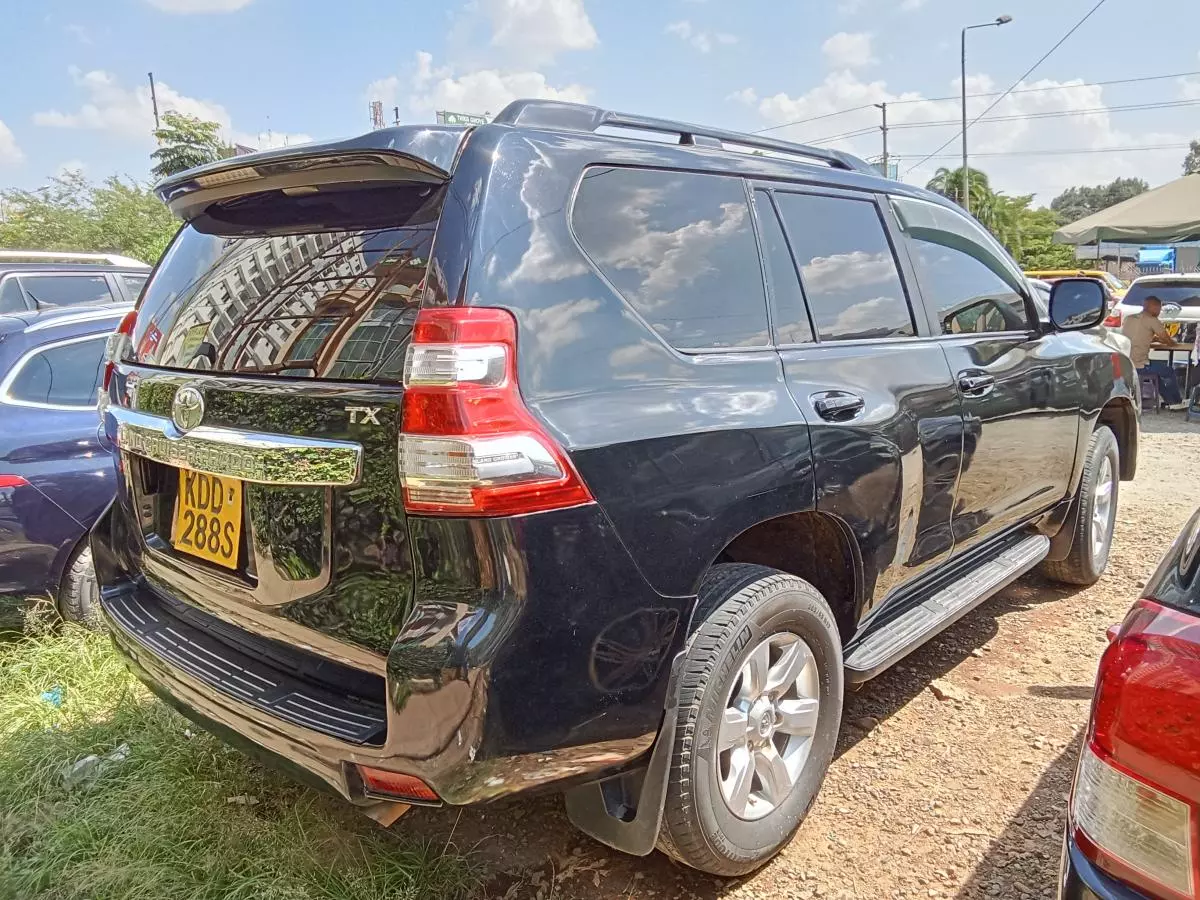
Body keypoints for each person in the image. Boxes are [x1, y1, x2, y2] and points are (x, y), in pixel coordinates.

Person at [1122, 295, 1187, 409]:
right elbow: (1167, 340)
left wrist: (1153, 338)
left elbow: (1137, 336)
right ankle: (1176, 401)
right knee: (1168, 370)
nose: (1159, 311)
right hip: (1140, 365)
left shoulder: (1129, 318)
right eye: (1159, 308)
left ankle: (1170, 401)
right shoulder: (1152, 320)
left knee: (1158, 373)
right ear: (1153, 307)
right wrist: (1174, 343)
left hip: (1125, 362)